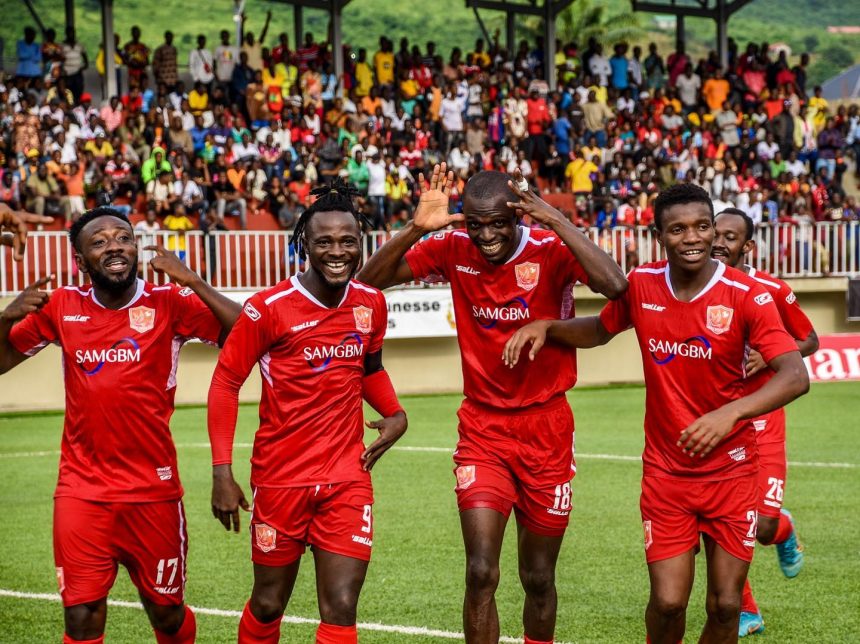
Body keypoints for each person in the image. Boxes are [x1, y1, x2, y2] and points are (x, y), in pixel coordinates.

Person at [503, 183, 810, 644]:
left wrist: (730, 414)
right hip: (667, 475)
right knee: (667, 604)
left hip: (732, 472)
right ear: (659, 236)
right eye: (678, 229)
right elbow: (601, 329)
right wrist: (549, 326)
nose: (693, 238)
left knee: (726, 605)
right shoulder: (644, 283)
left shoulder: (746, 294)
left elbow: (795, 375)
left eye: (702, 227)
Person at [357, 164, 626, 644]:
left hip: (547, 428)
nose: (486, 236)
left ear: (519, 216)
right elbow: (367, 282)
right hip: (482, 429)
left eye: (499, 223)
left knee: (538, 577)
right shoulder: (453, 247)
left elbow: (615, 286)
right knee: (480, 571)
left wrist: (557, 219)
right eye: (476, 224)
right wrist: (415, 229)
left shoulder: (550, 249)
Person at [0, 207, 241, 644]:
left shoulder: (168, 302)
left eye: (123, 238)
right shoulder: (62, 306)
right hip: (82, 491)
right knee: (81, 615)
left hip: (153, 491)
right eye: (99, 241)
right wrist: (4, 319)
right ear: (80, 260)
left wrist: (194, 282)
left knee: (166, 614)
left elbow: (248, 333)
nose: (114, 246)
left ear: (135, 248)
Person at [207, 180, 408, 643]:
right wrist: (222, 471)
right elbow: (225, 383)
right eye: (324, 242)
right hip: (281, 479)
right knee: (268, 602)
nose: (337, 252)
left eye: (347, 241)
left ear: (361, 244)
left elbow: (369, 367)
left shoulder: (371, 303)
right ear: (305, 244)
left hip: (346, 476)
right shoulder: (267, 309)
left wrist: (395, 412)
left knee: (341, 606)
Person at [710, 208, 818, 638]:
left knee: (764, 525)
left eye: (730, 236)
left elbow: (809, 339)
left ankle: (783, 529)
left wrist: (771, 352)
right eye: (715, 233)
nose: (719, 242)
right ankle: (745, 610)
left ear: (748, 246)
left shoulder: (772, 289)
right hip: (718, 421)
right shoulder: (696, 286)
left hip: (763, 420)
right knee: (720, 523)